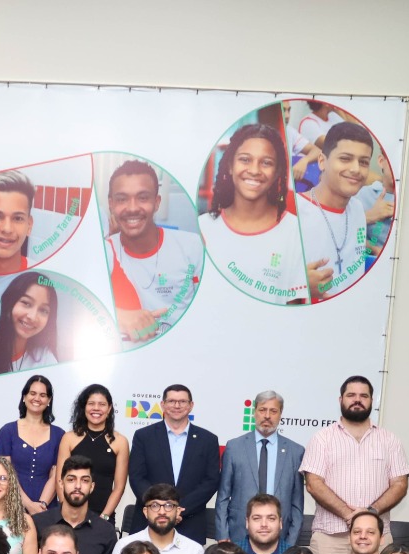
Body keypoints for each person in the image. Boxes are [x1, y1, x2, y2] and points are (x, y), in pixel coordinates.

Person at [299, 376, 409, 554]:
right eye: (351, 395)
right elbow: (313, 483)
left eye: (363, 396)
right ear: (340, 400)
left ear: (372, 401)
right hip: (331, 539)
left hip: (377, 538)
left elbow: (400, 484)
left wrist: (370, 513)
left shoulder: (389, 440)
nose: (357, 400)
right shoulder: (321, 439)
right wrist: (350, 515)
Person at [198, 122, 310, 304]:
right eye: (245, 159)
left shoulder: (295, 232)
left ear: (277, 172)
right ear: (230, 165)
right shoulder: (203, 227)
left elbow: (294, 308)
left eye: (266, 163)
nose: (254, 170)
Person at [104, 159, 204, 343]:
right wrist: (118, 315)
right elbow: (77, 307)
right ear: (111, 204)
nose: (132, 208)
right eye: (122, 199)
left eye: (143, 198)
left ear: (157, 202)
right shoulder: (104, 252)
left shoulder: (193, 247)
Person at [124, 384, 220, 542]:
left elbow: (211, 481)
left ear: (191, 405)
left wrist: (179, 510)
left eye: (182, 401)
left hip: (190, 522)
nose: (177, 406)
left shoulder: (208, 440)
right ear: (162, 404)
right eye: (171, 401)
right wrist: (159, 508)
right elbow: (136, 477)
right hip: (149, 522)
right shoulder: (143, 436)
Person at [295, 121, 379, 299]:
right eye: (345, 159)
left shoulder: (357, 208)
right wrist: (297, 285)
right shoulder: (292, 211)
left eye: (363, 162)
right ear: (322, 162)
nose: (356, 169)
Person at [217, 390, 305, 552]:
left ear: (280, 414)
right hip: (238, 535)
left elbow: (297, 504)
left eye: (273, 411)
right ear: (254, 412)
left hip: (281, 538)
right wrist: (223, 534)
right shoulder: (234, 447)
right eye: (262, 410)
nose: (267, 416)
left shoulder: (295, 451)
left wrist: (291, 543)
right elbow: (223, 496)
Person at [32, 455, 116, 554]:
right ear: (61, 483)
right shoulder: (38, 524)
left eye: (85, 480)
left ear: (92, 486)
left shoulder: (105, 531)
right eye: (71, 480)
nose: (78, 486)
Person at [56, 384, 129, 522]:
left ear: (109, 408)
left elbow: (119, 487)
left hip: (103, 516)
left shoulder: (120, 442)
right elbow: (60, 480)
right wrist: (68, 512)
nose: (96, 408)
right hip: (69, 516)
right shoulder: (69, 438)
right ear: (84, 407)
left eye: (102, 404)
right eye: (91, 404)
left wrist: (104, 517)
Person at [0, 375, 64, 515]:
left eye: (43, 395)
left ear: (49, 400)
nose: (37, 398)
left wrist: (42, 505)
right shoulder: (7, 431)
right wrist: (28, 504)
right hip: (12, 506)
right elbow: (5, 472)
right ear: (24, 396)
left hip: (46, 509)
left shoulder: (59, 435)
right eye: (32, 393)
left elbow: (56, 475)